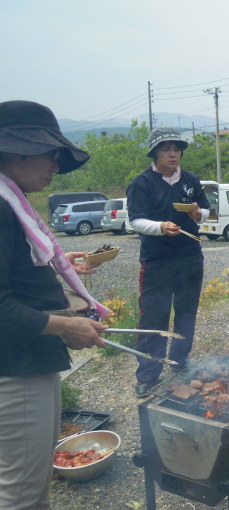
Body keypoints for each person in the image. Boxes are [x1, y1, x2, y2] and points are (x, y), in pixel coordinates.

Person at [0, 100, 109, 509]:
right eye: (50, 153)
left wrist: (67, 305)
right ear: (14, 151)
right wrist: (66, 326)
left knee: (29, 484)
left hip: (26, 360)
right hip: (15, 370)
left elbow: (17, 280)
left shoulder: (12, 201)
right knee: (22, 494)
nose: (56, 165)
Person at [127, 127, 210, 398]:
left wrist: (200, 214)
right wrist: (161, 226)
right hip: (157, 260)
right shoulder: (142, 183)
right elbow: (136, 221)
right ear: (155, 153)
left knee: (186, 312)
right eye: (166, 149)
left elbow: (206, 210)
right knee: (154, 315)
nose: (173, 154)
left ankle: (179, 361)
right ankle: (148, 374)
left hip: (189, 257)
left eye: (176, 149)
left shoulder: (190, 179)